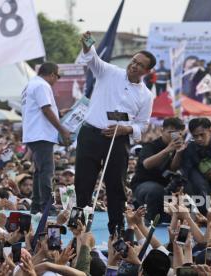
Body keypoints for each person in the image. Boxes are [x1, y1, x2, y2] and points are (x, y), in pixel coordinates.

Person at [75, 31, 155, 234]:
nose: (134, 65)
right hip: (91, 134)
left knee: (115, 185)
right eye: (133, 60)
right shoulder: (109, 72)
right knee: (83, 181)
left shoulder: (146, 96)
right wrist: (87, 44)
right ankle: (79, 224)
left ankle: (117, 227)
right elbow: (92, 58)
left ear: (146, 71)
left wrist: (125, 129)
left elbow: (143, 124)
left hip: (118, 141)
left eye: (139, 64)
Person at [21, 62, 71, 214]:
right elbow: (45, 109)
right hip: (41, 134)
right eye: (57, 76)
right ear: (52, 74)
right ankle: (45, 206)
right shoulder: (42, 85)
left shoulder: (31, 85)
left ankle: (37, 206)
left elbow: (41, 110)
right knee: (47, 171)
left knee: (40, 171)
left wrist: (59, 113)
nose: (57, 80)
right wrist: (62, 129)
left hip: (35, 133)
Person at [131, 117, 185, 222]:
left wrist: (178, 152)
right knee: (155, 191)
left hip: (166, 187)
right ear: (162, 130)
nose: (174, 136)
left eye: (178, 133)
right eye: (170, 132)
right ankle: (148, 219)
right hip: (144, 185)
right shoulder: (150, 146)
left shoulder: (177, 147)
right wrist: (167, 150)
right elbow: (147, 164)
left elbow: (173, 168)